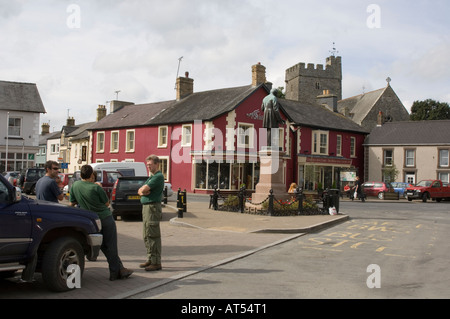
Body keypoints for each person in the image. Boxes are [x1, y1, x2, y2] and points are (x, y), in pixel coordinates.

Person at [69, 164, 133, 281]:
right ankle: (115, 273)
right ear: (91, 175)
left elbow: (72, 202)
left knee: (103, 245)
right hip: (105, 218)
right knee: (111, 246)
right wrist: (98, 186)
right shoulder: (95, 187)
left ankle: (121, 269)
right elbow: (107, 204)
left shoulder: (75, 185)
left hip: (91, 220)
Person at [138, 155, 165, 271]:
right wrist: (142, 192)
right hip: (147, 208)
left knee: (152, 234)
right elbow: (140, 190)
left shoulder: (158, 176)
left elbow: (143, 190)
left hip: (152, 208)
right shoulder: (151, 177)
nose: (148, 166)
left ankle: (156, 261)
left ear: (157, 164)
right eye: (147, 164)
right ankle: (150, 258)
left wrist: (143, 191)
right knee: (146, 234)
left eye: (150, 164)